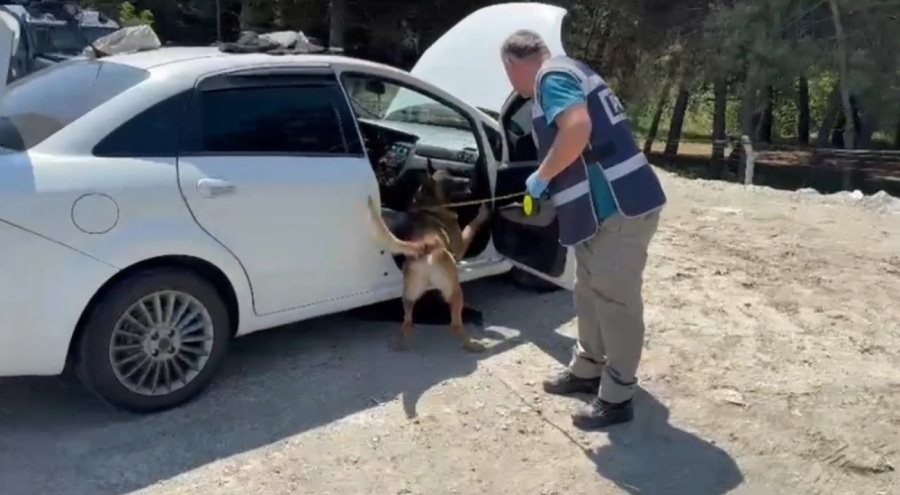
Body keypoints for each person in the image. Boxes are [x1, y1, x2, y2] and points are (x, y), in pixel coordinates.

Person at [500, 30, 667, 429]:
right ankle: (587, 369)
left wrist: (540, 176)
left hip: (619, 209)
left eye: (507, 76)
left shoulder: (549, 78)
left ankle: (618, 396)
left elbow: (576, 129)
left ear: (514, 65)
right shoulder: (569, 70)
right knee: (589, 292)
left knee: (616, 302)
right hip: (602, 212)